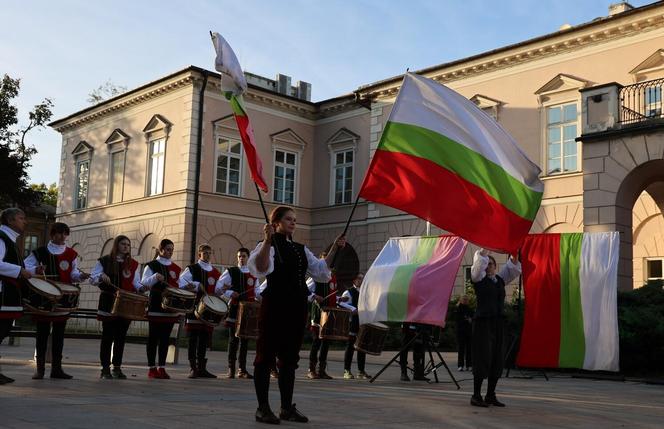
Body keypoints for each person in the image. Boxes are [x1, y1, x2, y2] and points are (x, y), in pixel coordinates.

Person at [248, 205, 344, 424]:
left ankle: (285, 408)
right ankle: (262, 408)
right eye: (289, 219)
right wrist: (267, 241)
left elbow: (321, 270)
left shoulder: (301, 249)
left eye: (294, 220)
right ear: (276, 223)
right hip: (274, 306)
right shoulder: (267, 245)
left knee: (289, 360)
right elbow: (260, 268)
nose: (293, 223)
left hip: (296, 306)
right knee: (265, 357)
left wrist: (335, 249)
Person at [24, 222, 90, 379]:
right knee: (42, 334)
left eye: (65, 234)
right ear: (52, 235)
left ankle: (57, 369)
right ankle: (40, 369)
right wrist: (36, 270)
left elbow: (73, 274)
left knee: (59, 335)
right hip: (44, 297)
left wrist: (80, 276)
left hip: (63, 299)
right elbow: (25, 267)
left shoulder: (71, 254)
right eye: (60, 233)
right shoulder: (39, 252)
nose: (63, 237)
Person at [469, 249, 520, 408]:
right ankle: (476, 396)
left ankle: (490, 395)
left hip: (497, 323)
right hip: (483, 323)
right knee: (482, 357)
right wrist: (485, 249)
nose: (487, 267)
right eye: (486, 264)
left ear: (495, 267)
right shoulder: (478, 279)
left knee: (497, 358)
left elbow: (512, 268)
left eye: (490, 265)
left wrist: (514, 253)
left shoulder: (499, 280)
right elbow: (478, 267)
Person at [90, 235, 142, 379]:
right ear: (116, 245)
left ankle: (117, 368)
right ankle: (105, 368)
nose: (126, 246)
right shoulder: (105, 261)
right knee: (107, 336)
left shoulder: (133, 264)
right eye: (123, 244)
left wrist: (143, 287)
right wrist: (101, 276)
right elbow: (92, 279)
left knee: (121, 337)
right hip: (108, 302)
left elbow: (136, 283)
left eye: (128, 244)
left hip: (125, 304)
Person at [178, 243, 225, 379]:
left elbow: (217, 291)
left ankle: (202, 368)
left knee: (204, 338)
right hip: (194, 307)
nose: (208, 255)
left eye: (209, 253)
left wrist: (223, 289)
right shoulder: (192, 269)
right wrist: (194, 285)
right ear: (199, 254)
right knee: (193, 338)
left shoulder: (215, 272)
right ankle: (193, 368)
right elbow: (181, 283)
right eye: (205, 253)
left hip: (210, 309)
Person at [141, 238, 182, 379]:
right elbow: (143, 283)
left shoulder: (176, 268)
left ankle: (162, 367)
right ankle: (152, 368)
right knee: (153, 338)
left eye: (172, 250)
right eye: (168, 249)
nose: (170, 252)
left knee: (165, 339)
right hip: (155, 305)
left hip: (170, 308)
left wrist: (186, 287)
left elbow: (179, 286)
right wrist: (154, 277)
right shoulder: (151, 265)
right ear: (161, 249)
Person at [0, 208, 31, 384]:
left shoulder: (10, 240)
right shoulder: (2, 238)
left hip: (8, 294)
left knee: (2, 332)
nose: (24, 221)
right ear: (11, 221)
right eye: (21, 218)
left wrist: (31, 271)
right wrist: (20, 270)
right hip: (2, 294)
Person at [220, 247, 258, 379]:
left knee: (245, 341)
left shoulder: (254, 274)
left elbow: (257, 292)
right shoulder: (231, 271)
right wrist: (230, 292)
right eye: (239, 256)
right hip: (235, 309)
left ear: (248, 258)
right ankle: (231, 368)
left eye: (244, 256)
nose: (241, 258)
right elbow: (219, 287)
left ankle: (242, 369)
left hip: (248, 312)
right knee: (233, 340)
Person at [305, 254, 338, 380]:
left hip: (329, 314)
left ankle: (322, 370)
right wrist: (315, 296)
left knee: (326, 342)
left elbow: (331, 295)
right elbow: (306, 291)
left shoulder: (332, 277)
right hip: (319, 313)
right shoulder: (315, 277)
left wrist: (340, 298)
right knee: (316, 342)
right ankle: (311, 370)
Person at [339, 272, 371, 380]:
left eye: (362, 278)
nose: (361, 280)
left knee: (361, 347)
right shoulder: (348, 292)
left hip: (362, 322)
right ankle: (346, 371)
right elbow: (341, 303)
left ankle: (361, 371)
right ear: (354, 280)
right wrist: (352, 309)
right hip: (352, 322)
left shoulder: (365, 292)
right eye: (359, 278)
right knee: (350, 346)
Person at [456, 295, 473, 372]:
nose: (465, 301)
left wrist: (470, 320)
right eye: (464, 299)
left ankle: (469, 365)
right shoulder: (458, 309)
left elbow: (473, 318)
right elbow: (457, 320)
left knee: (469, 349)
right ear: (461, 300)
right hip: (461, 331)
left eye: (467, 299)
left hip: (469, 331)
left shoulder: (470, 309)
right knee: (461, 349)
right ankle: (460, 365)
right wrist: (466, 320)